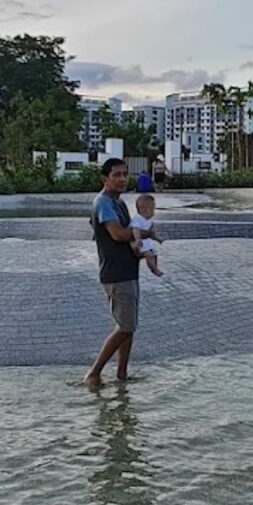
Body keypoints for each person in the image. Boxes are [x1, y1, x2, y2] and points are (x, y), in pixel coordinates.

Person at [83, 158, 159, 391]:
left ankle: (121, 374)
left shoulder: (119, 204)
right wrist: (147, 233)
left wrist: (141, 250)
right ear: (104, 179)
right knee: (124, 326)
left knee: (129, 326)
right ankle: (93, 373)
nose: (122, 179)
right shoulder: (104, 202)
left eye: (125, 174)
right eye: (116, 174)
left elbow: (126, 237)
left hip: (127, 270)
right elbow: (117, 234)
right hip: (115, 273)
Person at [130, 193, 164, 277]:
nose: (154, 212)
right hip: (140, 242)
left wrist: (157, 238)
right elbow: (135, 229)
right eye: (152, 209)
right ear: (145, 210)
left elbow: (152, 230)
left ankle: (155, 266)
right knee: (148, 255)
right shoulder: (138, 219)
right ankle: (153, 268)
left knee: (154, 254)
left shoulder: (148, 219)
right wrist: (137, 239)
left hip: (147, 241)